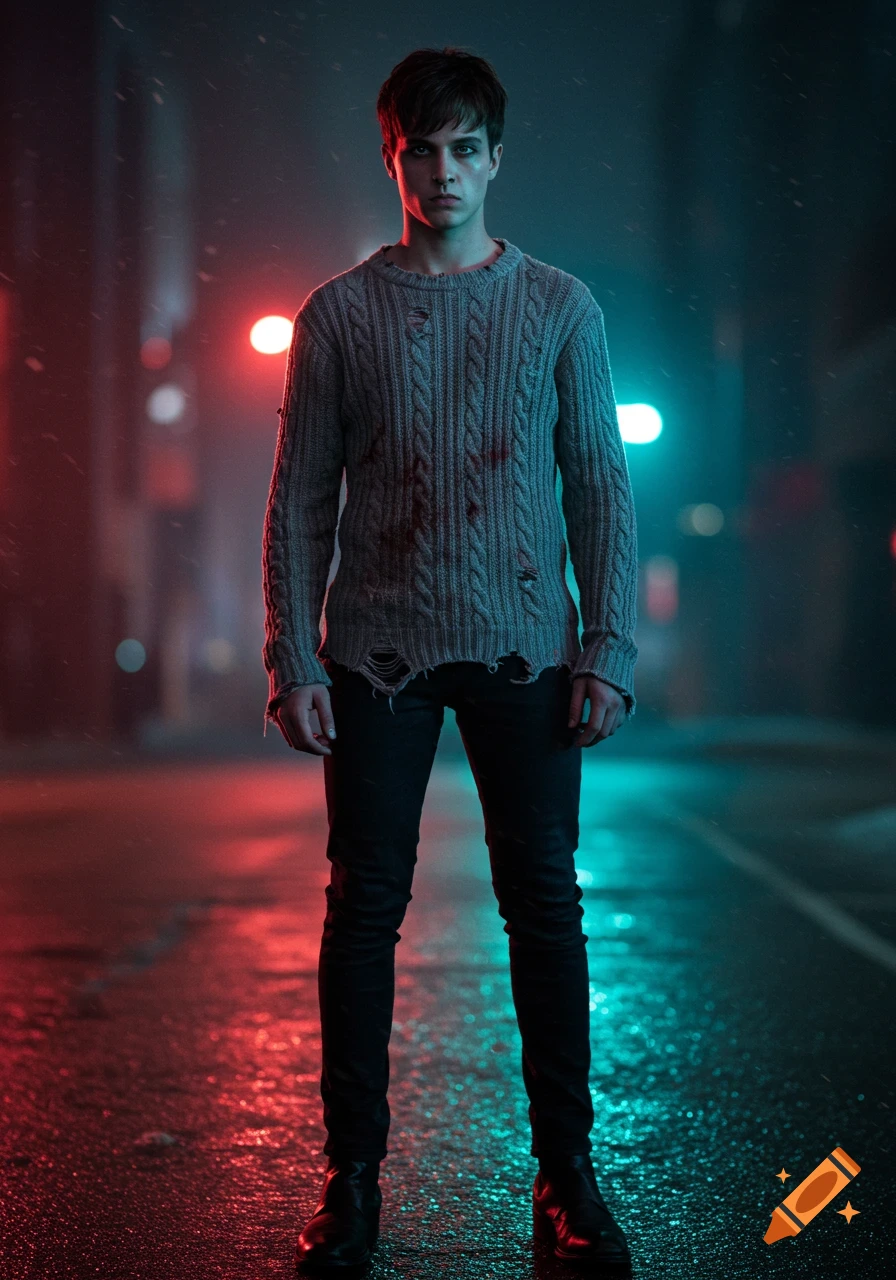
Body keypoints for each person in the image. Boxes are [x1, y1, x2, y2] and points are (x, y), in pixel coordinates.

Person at [261, 44, 638, 1275]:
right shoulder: (339, 315)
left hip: (527, 648)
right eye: (418, 148)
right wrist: (291, 658)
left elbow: (599, 488)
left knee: (544, 905)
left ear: (494, 156)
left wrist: (607, 646)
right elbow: (298, 501)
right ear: (390, 157)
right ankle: (350, 1181)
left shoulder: (557, 307)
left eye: (463, 146)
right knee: (363, 908)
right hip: (374, 652)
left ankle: (565, 1177)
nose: (441, 169)